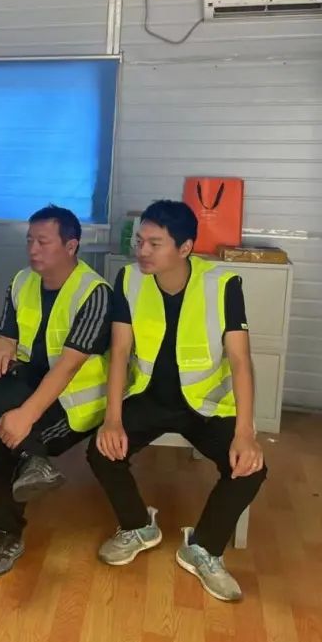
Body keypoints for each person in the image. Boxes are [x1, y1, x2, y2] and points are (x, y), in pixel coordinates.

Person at [87, 200, 266, 602]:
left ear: (184, 248)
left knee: (250, 468)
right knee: (101, 451)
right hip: (149, 396)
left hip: (205, 404)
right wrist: (112, 419)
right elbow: (120, 351)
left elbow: (240, 360)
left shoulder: (222, 284)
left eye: (155, 243)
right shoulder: (129, 279)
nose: (142, 251)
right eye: (140, 241)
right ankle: (138, 525)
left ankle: (203, 548)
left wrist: (245, 433)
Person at [0, 206, 111, 577]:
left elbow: (68, 367)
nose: (33, 249)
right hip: (29, 382)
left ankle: (5, 533)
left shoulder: (95, 293)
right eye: (30, 241)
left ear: (71, 246)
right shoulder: (22, 281)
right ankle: (34, 460)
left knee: (8, 435)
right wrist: (2, 342)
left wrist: (24, 417)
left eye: (43, 242)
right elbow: (9, 334)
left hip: (75, 401)